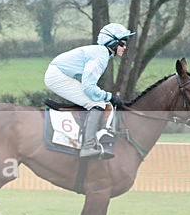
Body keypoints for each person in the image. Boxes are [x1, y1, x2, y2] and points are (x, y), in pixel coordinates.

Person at [44, 22, 135, 159]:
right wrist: (109, 96)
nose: (125, 47)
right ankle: (88, 146)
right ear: (112, 43)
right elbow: (88, 87)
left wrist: (104, 97)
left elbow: (86, 85)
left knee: (97, 100)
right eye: (122, 43)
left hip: (58, 73)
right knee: (97, 104)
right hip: (57, 75)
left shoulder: (101, 53)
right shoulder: (101, 56)